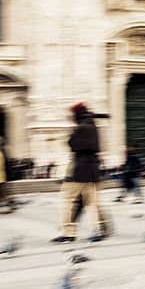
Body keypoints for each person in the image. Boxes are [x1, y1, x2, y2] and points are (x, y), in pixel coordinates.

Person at [52, 103, 113, 243]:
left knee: (68, 200)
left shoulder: (81, 128)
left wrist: (72, 133)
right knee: (92, 202)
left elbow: (72, 144)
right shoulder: (93, 126)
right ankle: (98, 230)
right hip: (92, 171)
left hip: (79, 171)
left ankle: (68, 233)